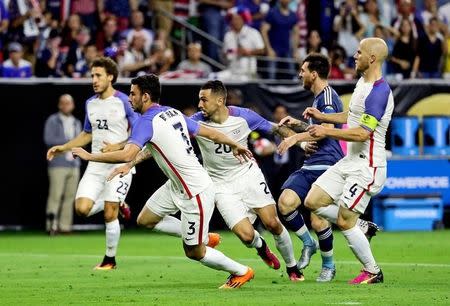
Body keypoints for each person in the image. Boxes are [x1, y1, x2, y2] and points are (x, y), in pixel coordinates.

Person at [72, 74, 255, 289]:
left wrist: (89, 156)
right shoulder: (172, 112)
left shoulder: (146, 121)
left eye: (133, 94)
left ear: (146, 96)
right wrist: (234, 144)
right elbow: (210, 133)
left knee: (194, 252)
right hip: (176, 185)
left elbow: (126, 153)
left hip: (195, 191)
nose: (130, 98)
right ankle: (204, 236)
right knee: (145, 220)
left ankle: (241, 271)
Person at [277, 52, 381, 282]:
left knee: (317, 217)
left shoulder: (326, 97)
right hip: (312, 163)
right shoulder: (318, 99)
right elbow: (319, 126)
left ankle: (329, 265)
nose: (300, 74)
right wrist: (299, 125)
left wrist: (296, 138)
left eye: (303, 71)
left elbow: (324, 131)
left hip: (328, 162)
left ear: (313, 74)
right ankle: (308, 243)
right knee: (285, 203)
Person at [302, 37, 392, 284]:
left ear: (371, 58)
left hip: (367, 166)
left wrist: (326, 130)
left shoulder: (379, 92)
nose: (354, 55)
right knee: (313, 201)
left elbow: (363, 132)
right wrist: (323, 116)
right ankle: (361, 226)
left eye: (359, 52)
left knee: (343, 220)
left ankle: (373, 271)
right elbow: (352, 116)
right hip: (350, 161)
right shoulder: (363, 83)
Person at [47, 57, 137, 270]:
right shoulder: (91, 103)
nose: (94, 80)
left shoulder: (124, 101)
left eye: (98, 75)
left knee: (108, 213)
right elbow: (88, 134)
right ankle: (118, 203)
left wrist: (119, 146)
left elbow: (139, 132)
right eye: (92, 76)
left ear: (110, 77)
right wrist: (64, 147)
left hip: (119, 165)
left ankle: (109, 260)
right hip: (96, 164)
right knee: (82, 208)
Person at [44, 94, 82, 235]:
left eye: (69, 103)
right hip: (58, 165)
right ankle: (51, 226)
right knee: (55, 195)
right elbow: (48, 139)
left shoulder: (77, 122)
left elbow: (81, 142)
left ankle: (65, 226)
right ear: (59, 105)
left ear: (72, 105)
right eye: (63, 103)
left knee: (70, 197)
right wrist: (67, 145)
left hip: (74, 165)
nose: (66, 106)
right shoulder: (53, 120)